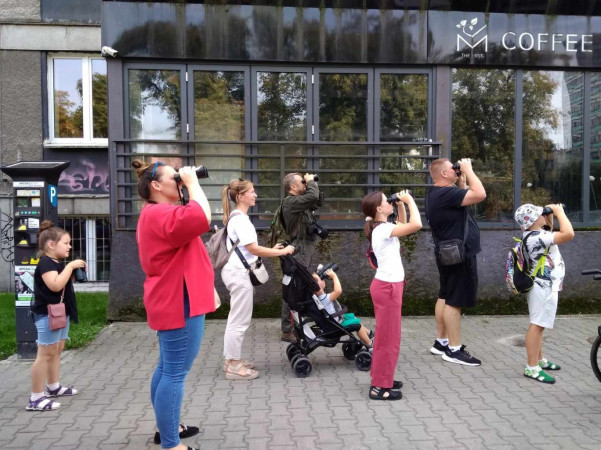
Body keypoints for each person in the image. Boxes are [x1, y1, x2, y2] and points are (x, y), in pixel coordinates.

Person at [133, 159, 214, 450]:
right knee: (174, 372)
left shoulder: (155, 213)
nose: (180, 181)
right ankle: (171, 444)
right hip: (179, 301)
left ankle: (166, 427)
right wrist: (192, 182)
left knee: (167, 367)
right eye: (174, 178)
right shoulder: (161, 213)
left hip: (173, 297)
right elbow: (202, 216)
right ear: (156, 185)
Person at [221, 178, 295, 380]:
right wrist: (282, 252)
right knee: (239, 321)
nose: (255, 195)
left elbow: (248, 249)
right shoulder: (241, 220)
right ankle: (234, 366)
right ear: (240, 196)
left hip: (235, 272)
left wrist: (272, 249)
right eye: (251, 191)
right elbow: (253, 249)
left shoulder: (236, 218)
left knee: (236, 318)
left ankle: (231, 359)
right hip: (239, 274)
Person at [425, 158, 486, 366]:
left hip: (448, 253)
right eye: (453, 168)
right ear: (443, 173)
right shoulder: (445, 194)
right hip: (459, 255)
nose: (456, 169)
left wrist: (461, 181)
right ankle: (454, 349)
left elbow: (463, 198)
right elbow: (480, 194)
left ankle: (441, 342)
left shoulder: (437, 193)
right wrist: (469, 169)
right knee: (454, 300)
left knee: (445, 295)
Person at [361, 190, 422, 400]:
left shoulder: (383, 227)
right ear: (379, 208)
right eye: (388, 201)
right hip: (387, 288)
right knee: (388, 339)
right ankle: (379, 387)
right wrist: (410, 200)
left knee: (388, 337)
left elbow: (403, 224)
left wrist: (400, 205)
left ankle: (383, 377)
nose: (391, 202)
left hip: (389, 286)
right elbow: (416, 225)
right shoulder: (382, 229)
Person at [26, 221, 86, 411]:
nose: (70, 246)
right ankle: (36, 398)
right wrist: (71, 266)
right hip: (47, 314)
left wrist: (71, 270)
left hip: (59, 312)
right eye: (66, 243)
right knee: (45, 354)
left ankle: (53, 387)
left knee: (56, 350)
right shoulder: (45, 263)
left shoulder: (55, 263)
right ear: (51, 245)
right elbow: (55, 285)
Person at [514, 203, 574, 384]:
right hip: (542, 288)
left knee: (539, 324)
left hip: (544, 286)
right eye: (541, 214)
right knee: (537, 325)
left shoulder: (536, 234)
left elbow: (550, 229)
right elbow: (568, 234)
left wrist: (550, 214)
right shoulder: (537, 238)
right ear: (533, 221)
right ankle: (532, 367)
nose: (544, 215)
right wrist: (560, 211)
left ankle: (539, 360)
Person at [279, 172, 326, 342]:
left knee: (300, 284)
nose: (305, 183)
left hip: (305, 247)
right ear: (293, 186)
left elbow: (318, 200)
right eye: (302, 182)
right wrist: (311, 181)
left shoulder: (300, 202)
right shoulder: (290, 202)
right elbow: (313, 196)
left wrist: (312, 184)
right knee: (293, 285)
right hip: (299, 248)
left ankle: (297, 323)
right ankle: (287, 330)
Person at [311, 269, 373, 348]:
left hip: (333, 321)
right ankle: (370, 344)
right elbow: (338, 291)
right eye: (320, 279)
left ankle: (369, 334)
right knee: (358, 326)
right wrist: (334, 276)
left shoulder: (317, 298)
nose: (323, 280)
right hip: (336, 325)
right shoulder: (324, 298)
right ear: (317, 286)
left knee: (352, 317)